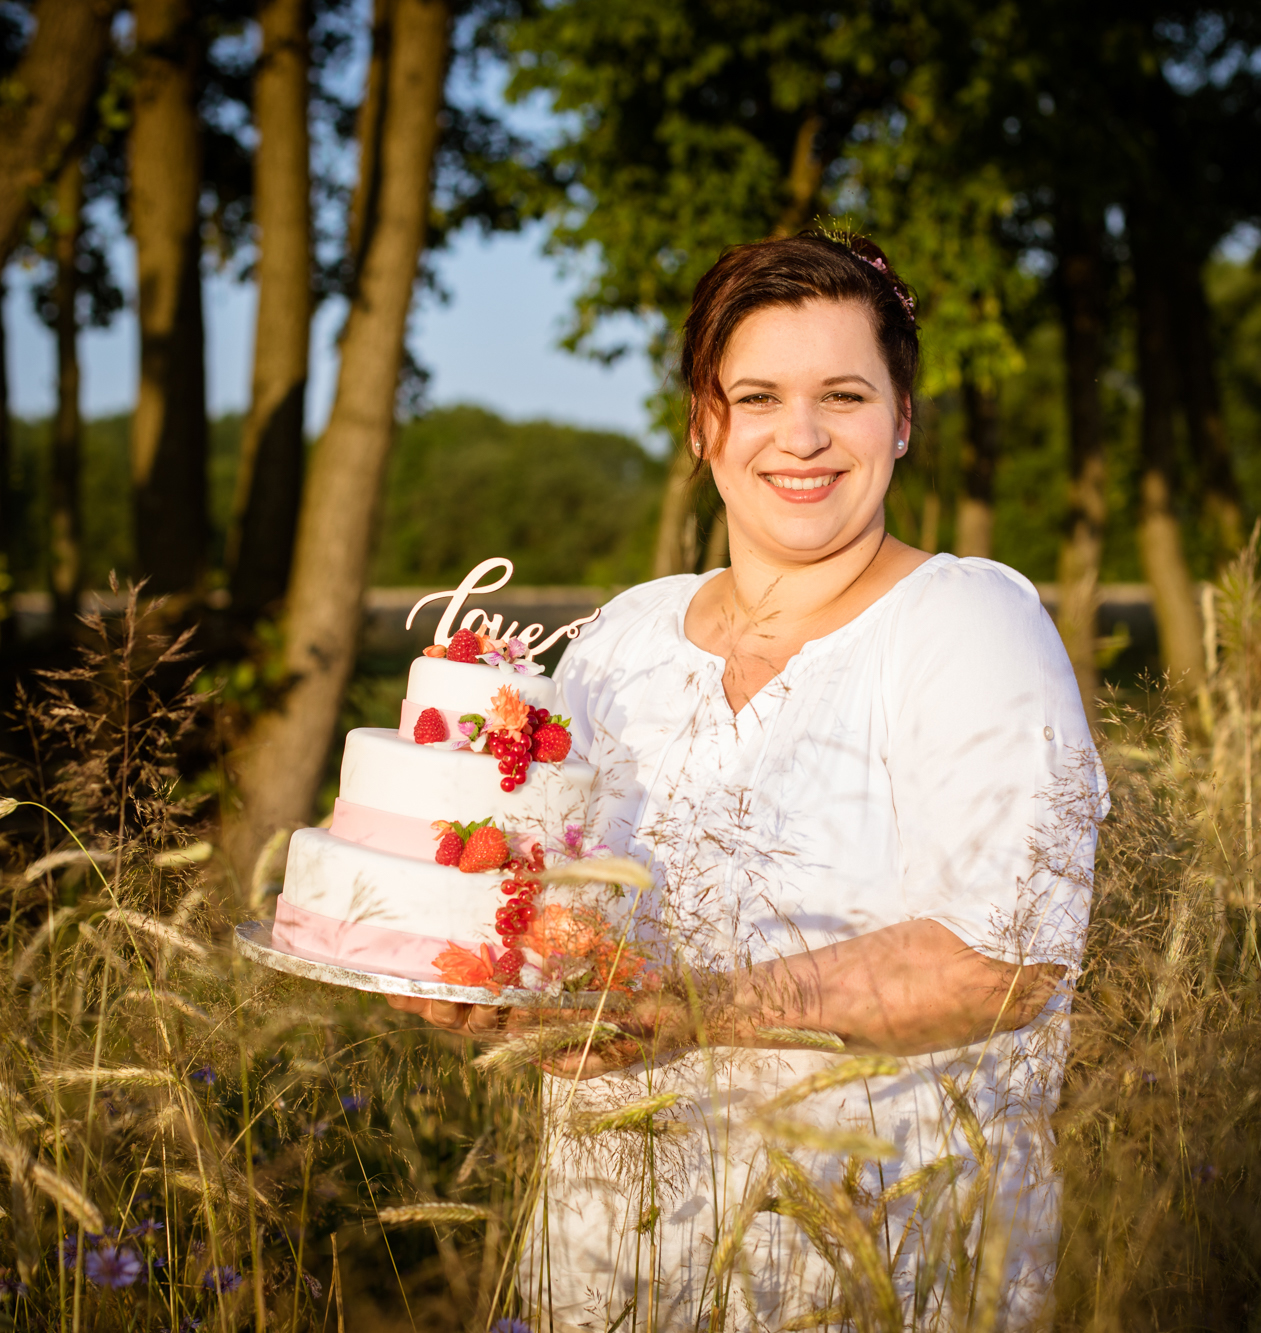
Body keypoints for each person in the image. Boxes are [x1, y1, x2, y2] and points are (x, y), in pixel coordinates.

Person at [390, 230, 1107, 1330]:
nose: (802, 436)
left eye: (846, 394)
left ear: (902, 420)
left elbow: (997, 960)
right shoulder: (624, 638)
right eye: (758, 395)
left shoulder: (967, 622)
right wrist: (485, 984)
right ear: (700, 424)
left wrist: (696, 1013)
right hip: (606, 1270)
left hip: (870, 1269)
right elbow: (558, 916)